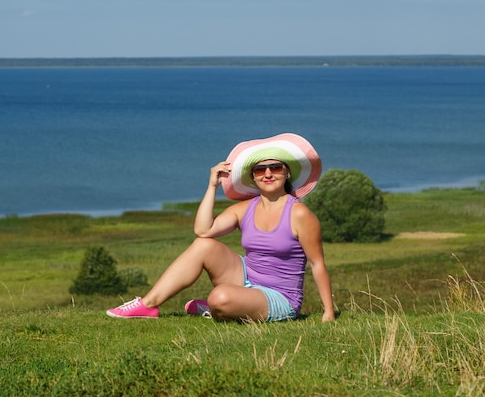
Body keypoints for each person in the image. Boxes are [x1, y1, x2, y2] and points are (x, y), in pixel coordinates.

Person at [106, 133, 335, 323]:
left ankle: (215, 307)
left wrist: (328, 311)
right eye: (259, 170)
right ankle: (148, 305)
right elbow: (204, 231)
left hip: (279, 297)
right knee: (204, 245)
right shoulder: (245, 209)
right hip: (244, 278)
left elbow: (317, 264)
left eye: (275, 168)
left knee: (220, 298)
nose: (267, 174)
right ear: (253, 178)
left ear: (287, 173)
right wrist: (212, 186)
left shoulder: (300, 214)